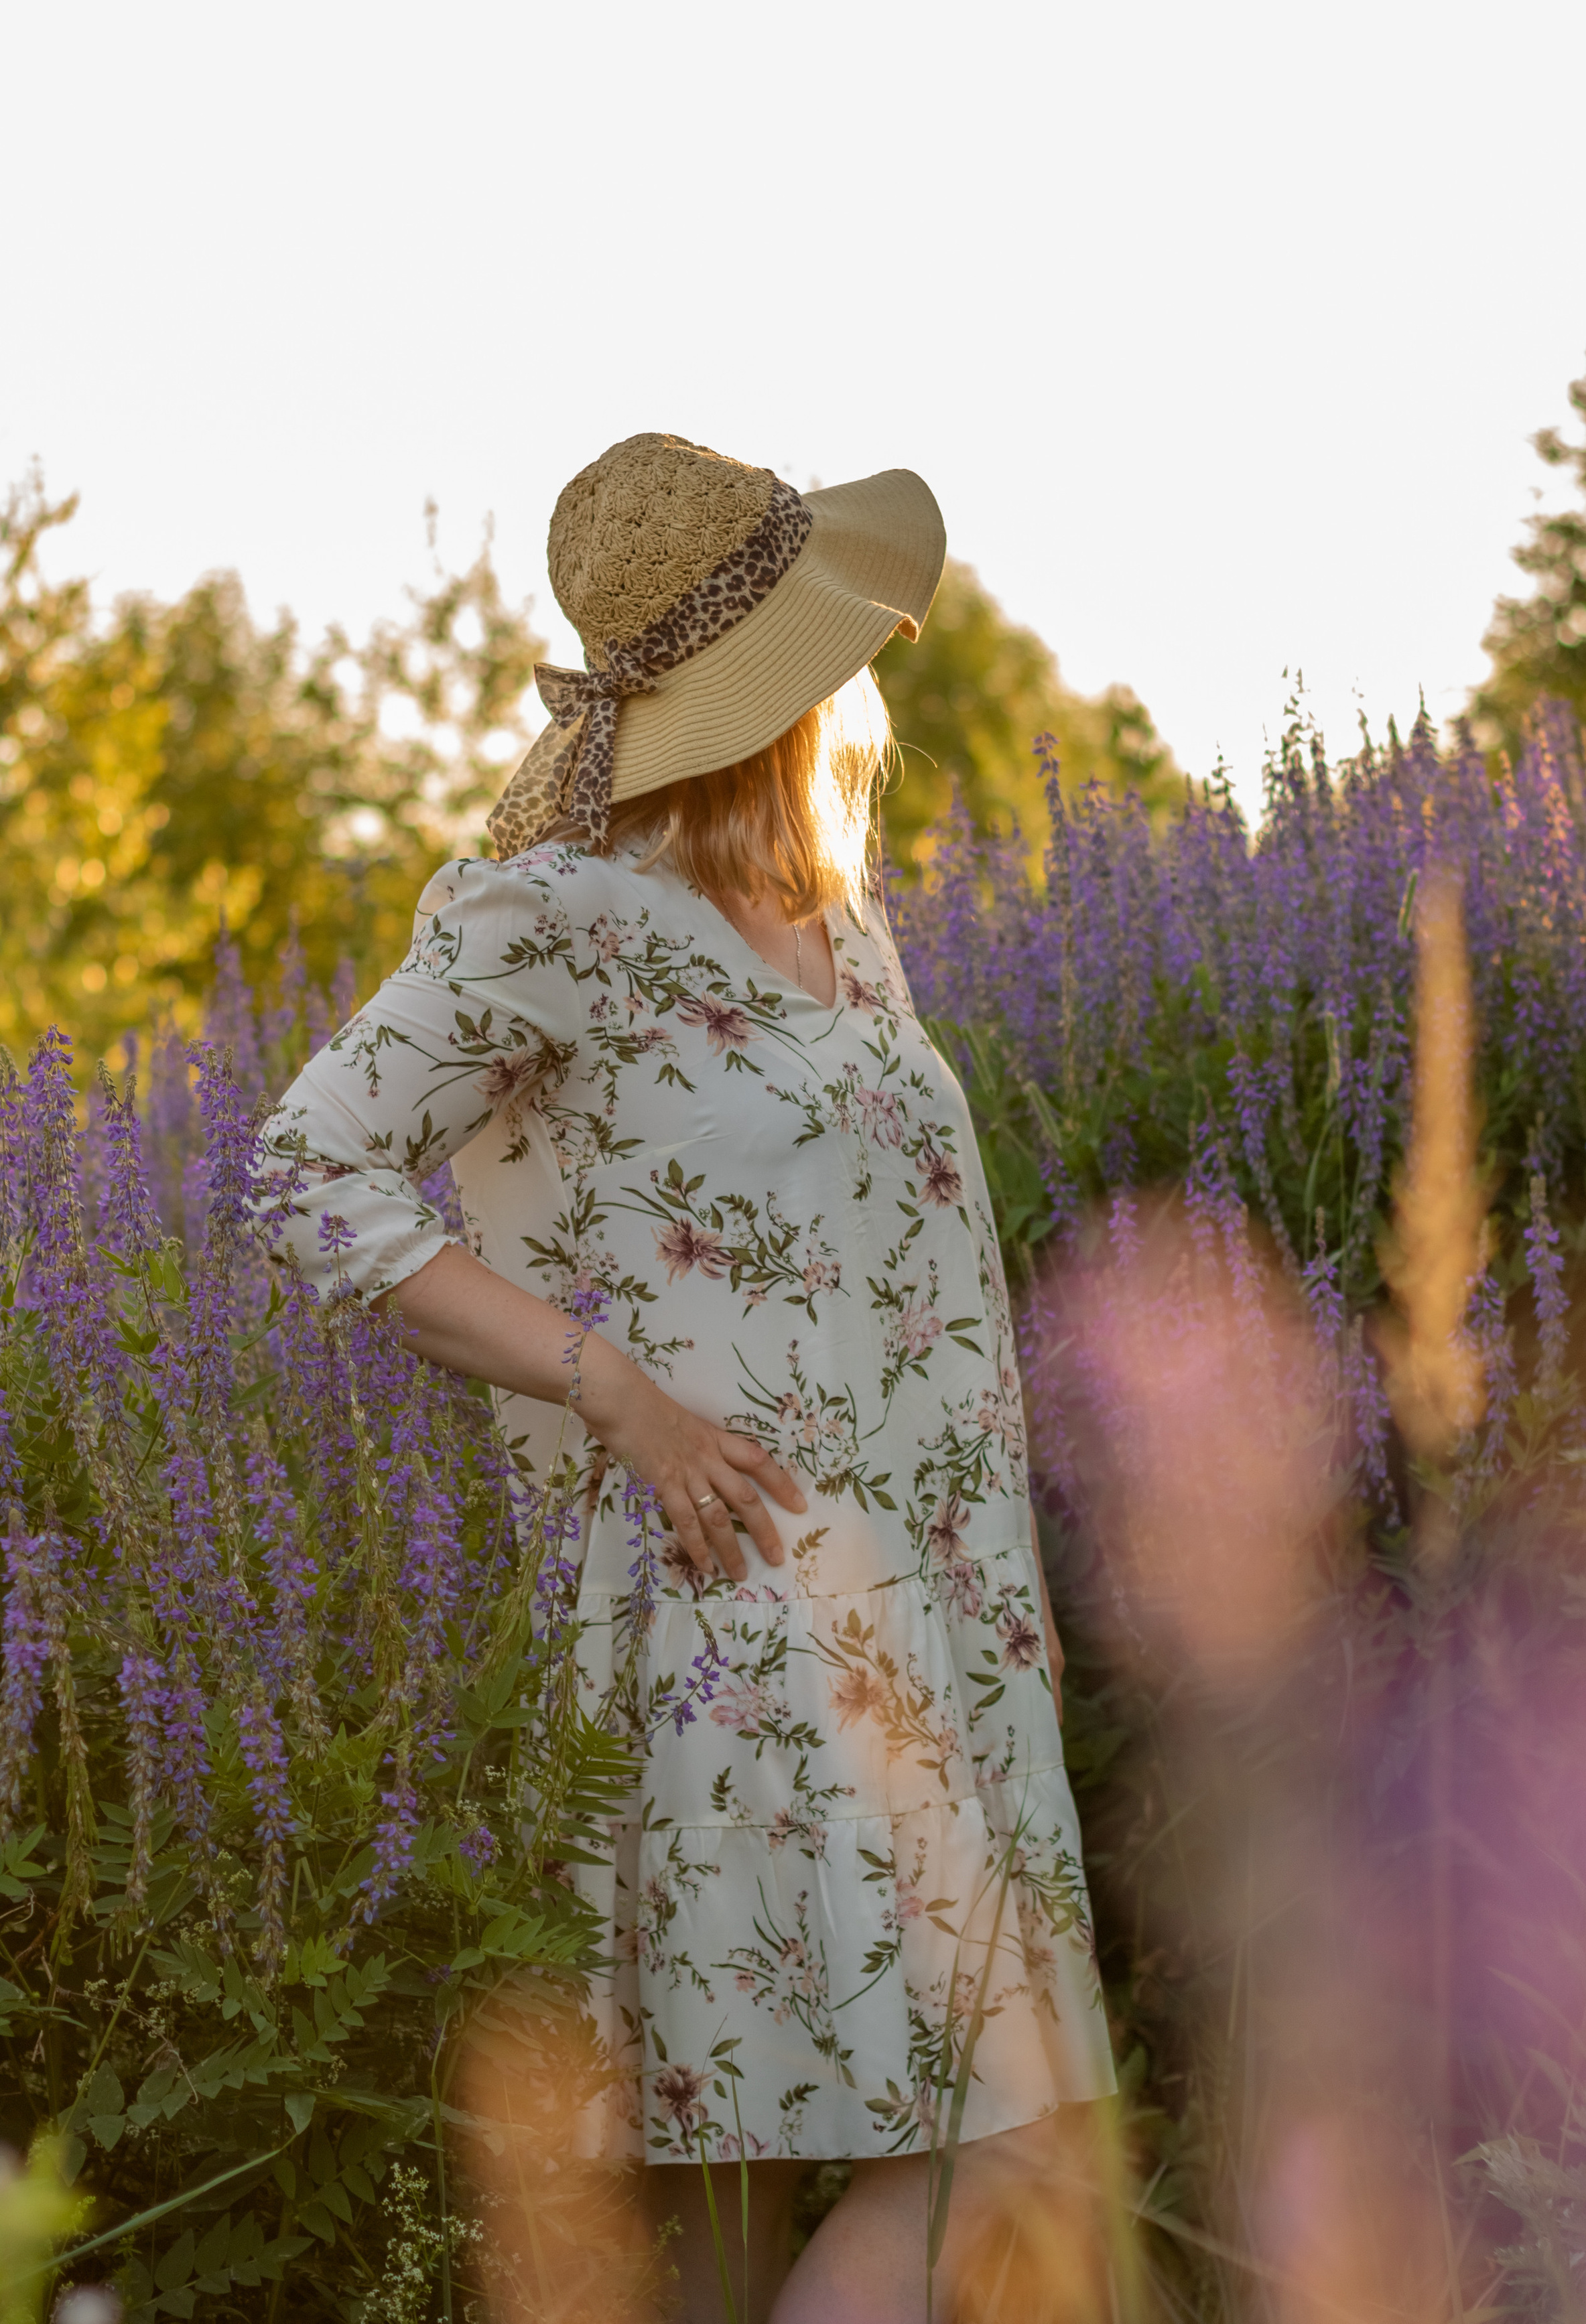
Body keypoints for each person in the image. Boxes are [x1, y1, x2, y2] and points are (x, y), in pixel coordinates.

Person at [258, 432, 1115, 2319]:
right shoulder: (553, 914)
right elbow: (307, 1174)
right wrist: (613, 1394)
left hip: (947, 1633)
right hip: (746, 1623)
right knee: (983, 2157)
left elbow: (925, 1286)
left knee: (962, 2162)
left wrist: (1013, 1603)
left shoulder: (843, 924)